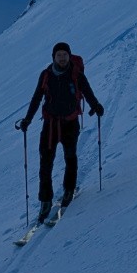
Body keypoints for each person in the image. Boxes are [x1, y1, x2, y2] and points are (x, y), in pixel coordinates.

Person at [15, 43, 104, 220]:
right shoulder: (46, 75)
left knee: (70, 158)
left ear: (69, 56)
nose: (62, 58)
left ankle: (69, 190)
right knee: (45, 163)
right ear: (53, 57)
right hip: (50, 125)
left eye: (64, 55)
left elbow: (87, 92)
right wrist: (27, 120)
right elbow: (36, 98)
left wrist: (96, 106)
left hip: (70, 124)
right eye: (59, 55)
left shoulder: (76, 74)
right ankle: (45, 200)